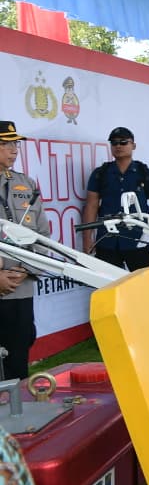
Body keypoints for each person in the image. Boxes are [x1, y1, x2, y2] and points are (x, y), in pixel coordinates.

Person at [0, 121, 50, 380]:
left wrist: (25, 269)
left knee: (18, 357)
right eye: (5, 144)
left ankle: (17, 404)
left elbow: (42, 235)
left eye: (15, 144)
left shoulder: (26, 184)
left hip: (19, 288)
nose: (13, 150)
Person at [82, 127, 149, 270]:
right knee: (109, 283)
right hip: (107, 241)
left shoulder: (145, 173)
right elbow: (91, 206)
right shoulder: (100, 173)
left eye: (123, 142)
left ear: (133, 145)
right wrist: (87, 238)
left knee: (142, 283)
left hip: (138, 240)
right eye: (114, 143)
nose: (118, 146)